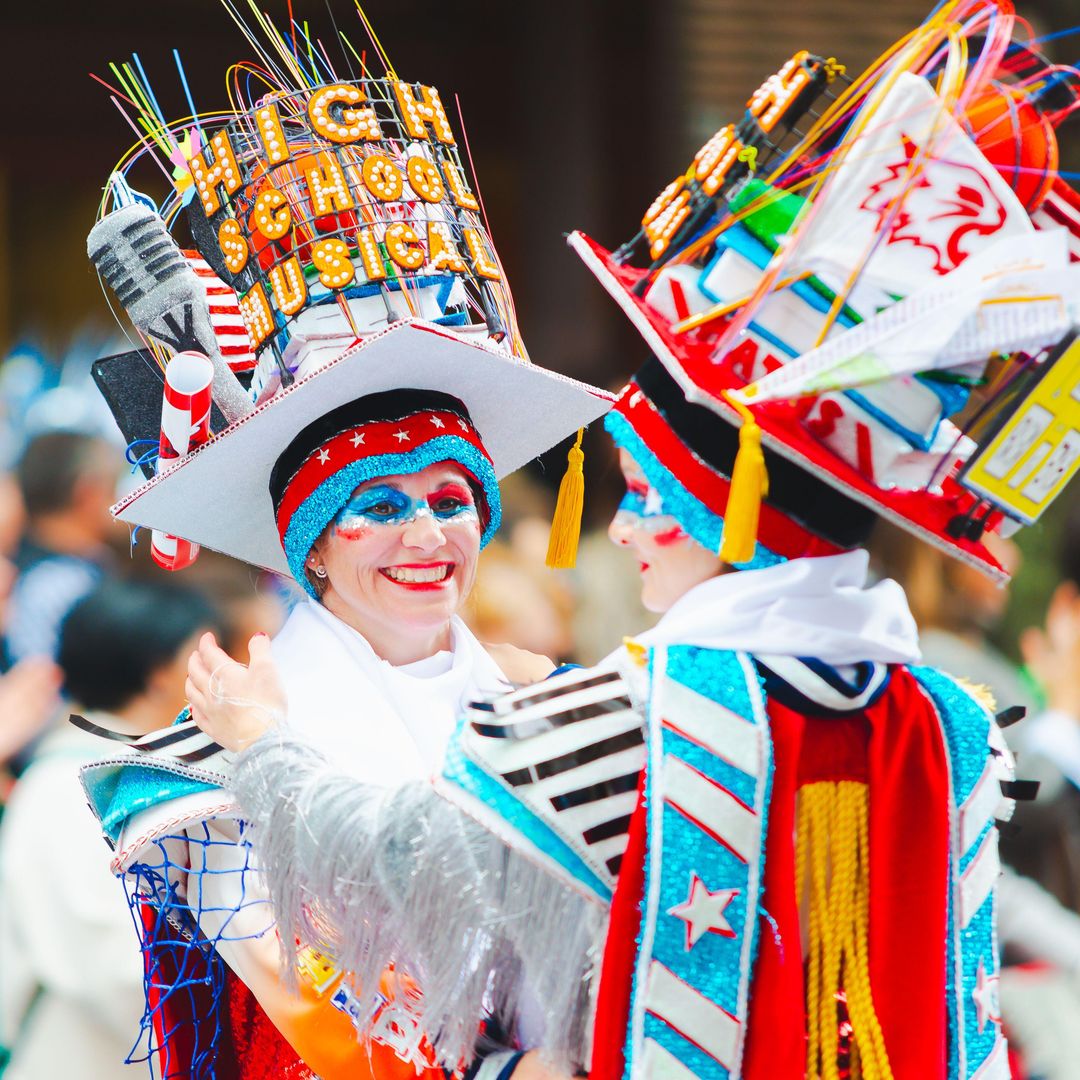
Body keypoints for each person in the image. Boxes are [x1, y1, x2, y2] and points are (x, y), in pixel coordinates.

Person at [177, 6, 1080, 1077]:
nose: (619, 527)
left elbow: (398, 868)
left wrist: (261, 748)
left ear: (733, 507)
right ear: (310, 548)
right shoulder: (957, 721)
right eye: (377, 507)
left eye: (648, 493)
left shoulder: (621, 713)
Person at [76, 11, 610, 1079]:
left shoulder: (562, 701)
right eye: (377, 506)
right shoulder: (215, 761)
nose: (428, 535)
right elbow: (314, 1028)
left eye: (453, 498)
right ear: (310, 549)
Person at [0, 580, 221, 1080]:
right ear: (162, 673)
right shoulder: (68, 786)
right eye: (205, 657)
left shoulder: (124, 772)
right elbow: (122, 968)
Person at [6, 432, 121, 664]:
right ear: (88, 493)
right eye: (114, 485)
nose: (124, 496)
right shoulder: (53, 588)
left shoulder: (86, 560)